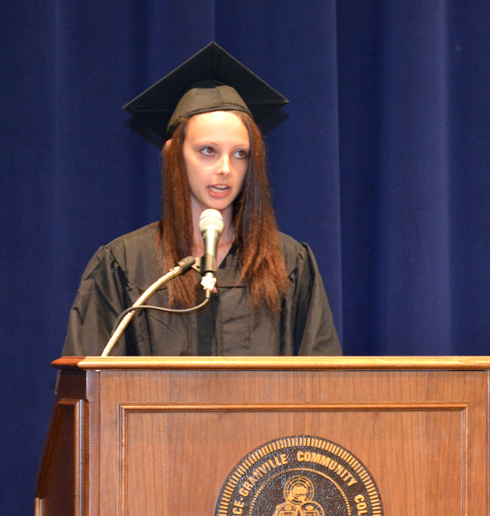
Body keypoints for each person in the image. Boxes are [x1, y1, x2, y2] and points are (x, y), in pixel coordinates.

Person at [62, 43, 341, 357]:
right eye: (208, 151)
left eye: (240, 154)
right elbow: (90, 387)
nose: (225, 168)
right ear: (174, 155)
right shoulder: (125, 264)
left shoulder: (290, 263)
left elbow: (324, 383)